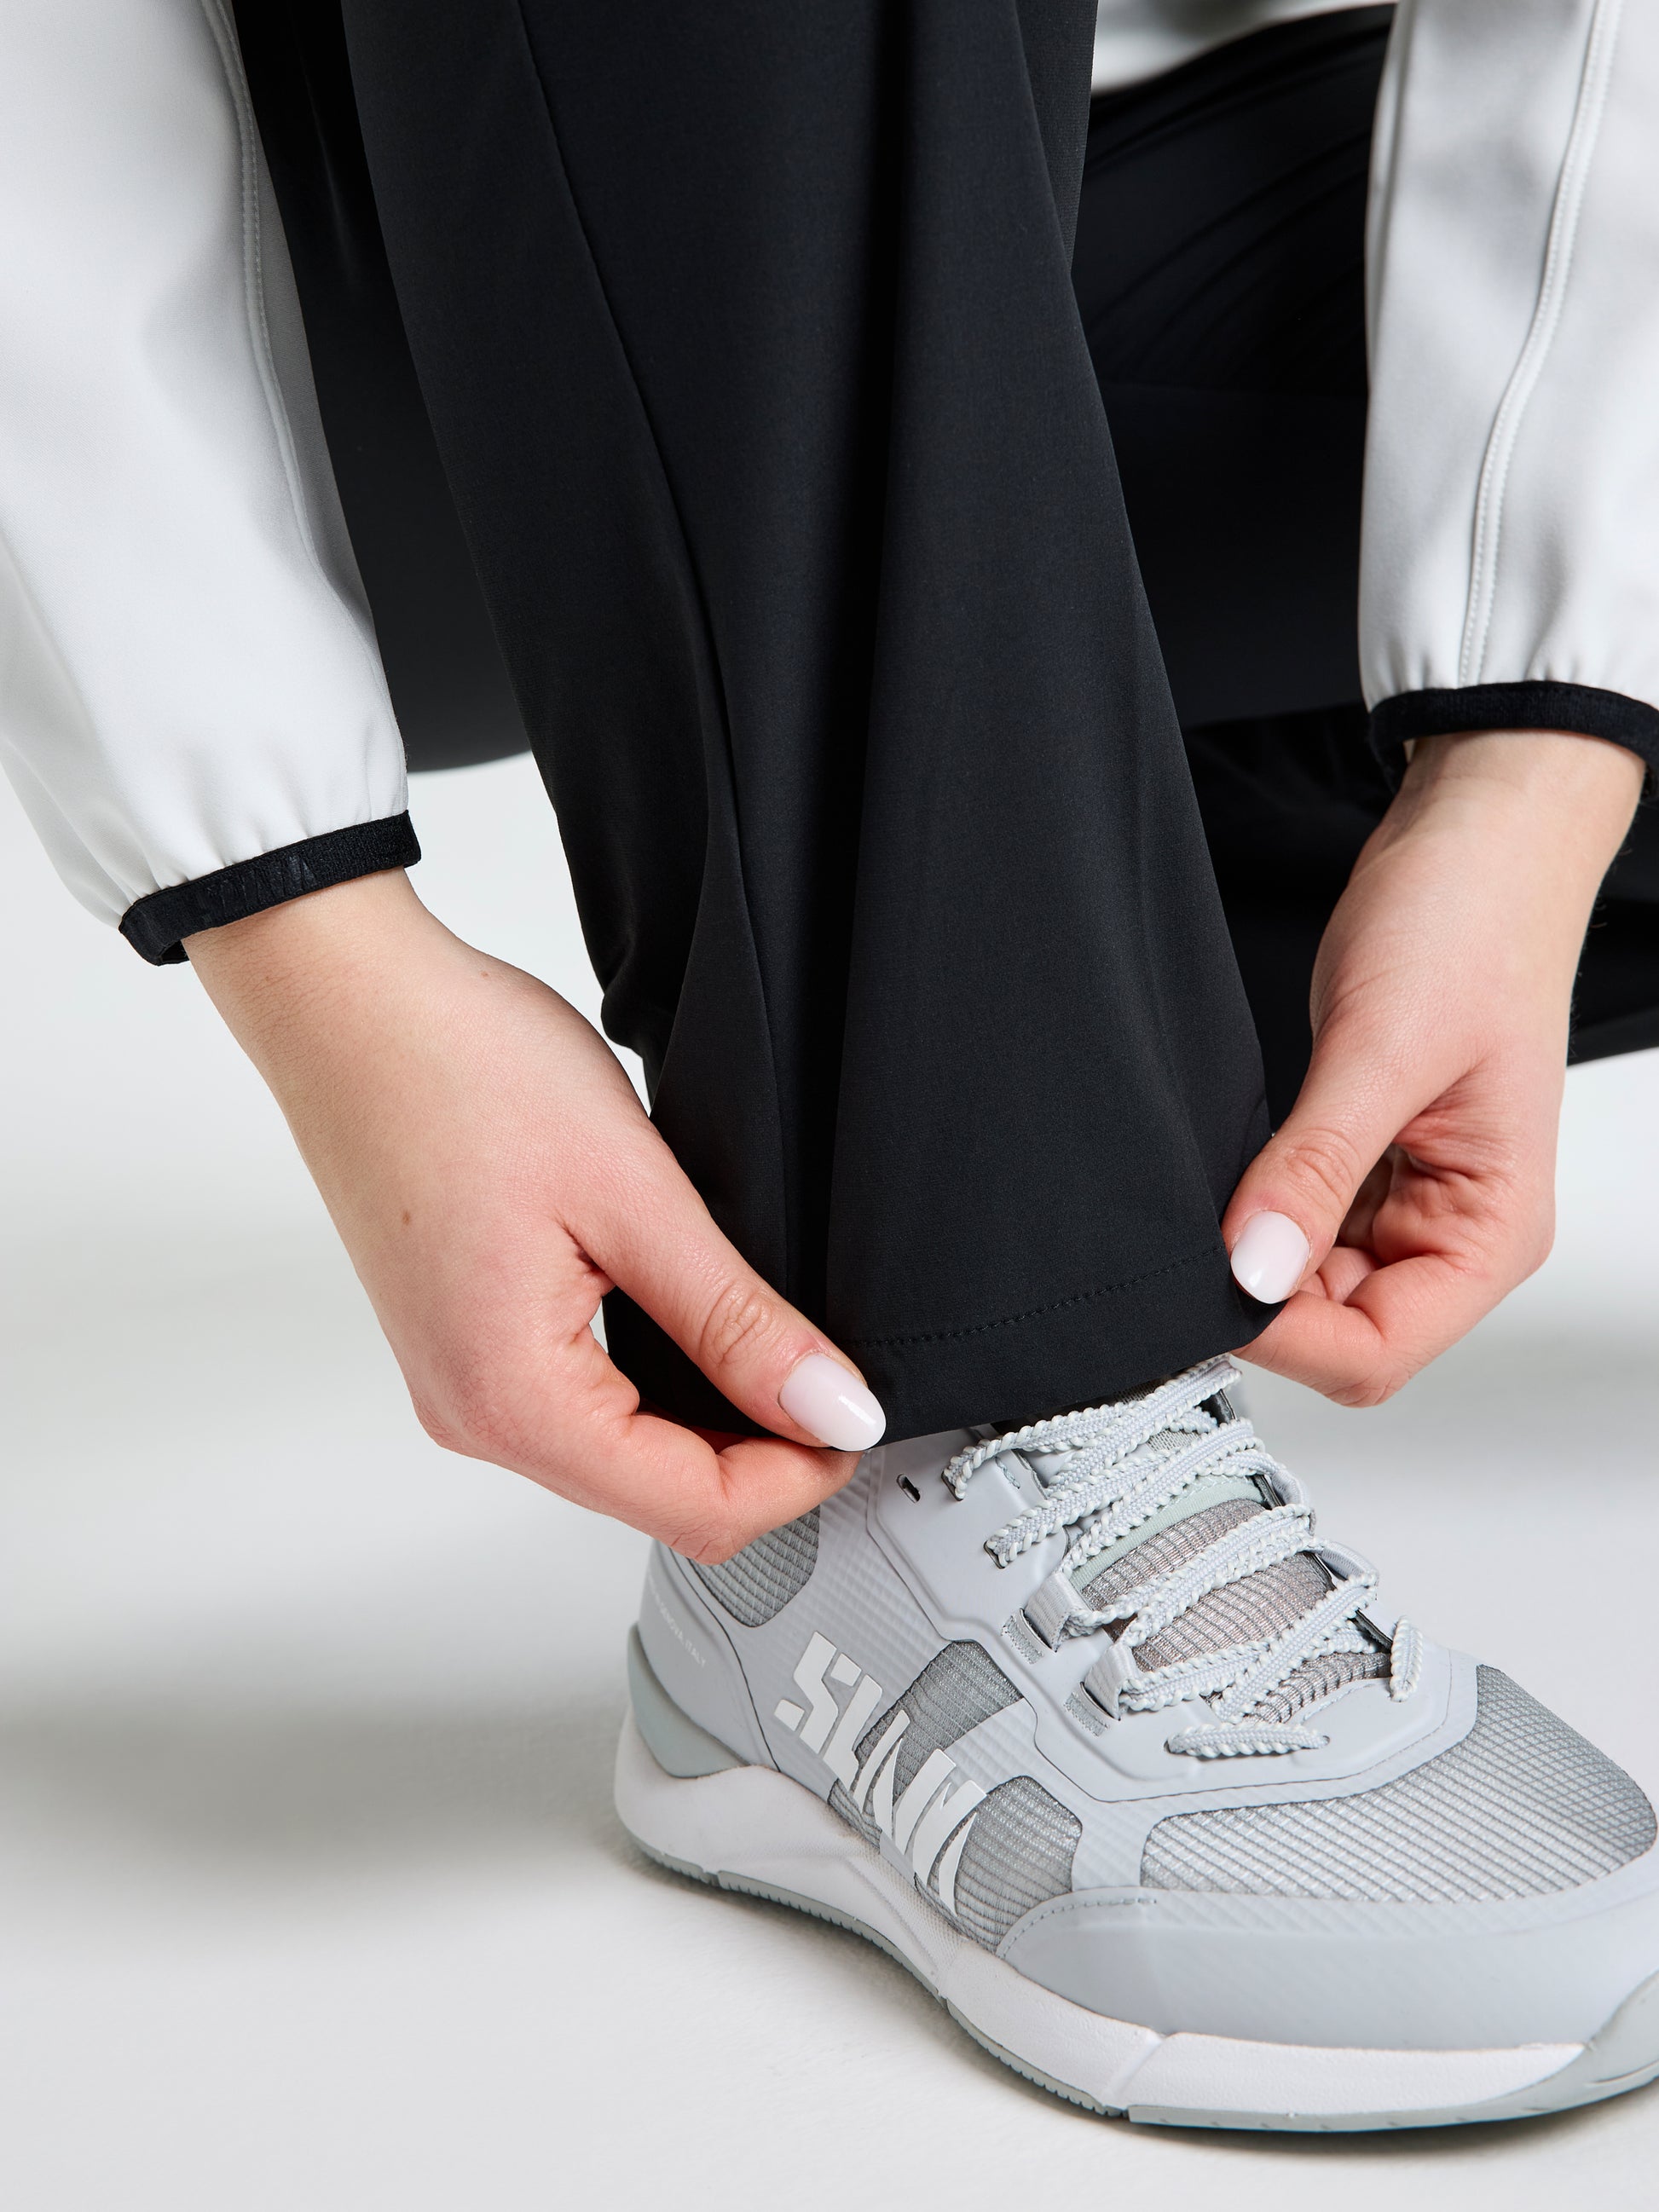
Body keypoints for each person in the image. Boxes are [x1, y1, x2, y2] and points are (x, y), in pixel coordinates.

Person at [5, 0, 1659, 2131]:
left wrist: (1531, 751)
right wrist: (301, 929)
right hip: (442, 247)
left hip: (1063, 234)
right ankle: (942, 1390)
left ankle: (950, 1085)